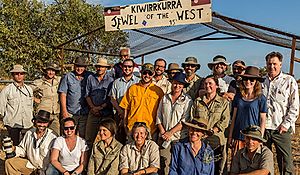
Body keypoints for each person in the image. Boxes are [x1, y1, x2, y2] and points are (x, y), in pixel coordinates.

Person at [262, 51, 299, 174]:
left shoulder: (289, 81)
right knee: (264, 161)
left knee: (285, 162)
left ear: (280, 64)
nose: (271, 66)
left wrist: (286, 124)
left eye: (274, 64)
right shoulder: (261, 82)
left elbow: (294, 106)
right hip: (264, 128)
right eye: (269, 64)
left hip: (281, 128)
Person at [191, 75, 230, 174]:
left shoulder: (223, 102)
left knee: (217, 169)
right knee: (200, 168)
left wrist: (213, 131)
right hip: (200, 141)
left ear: (216, 86)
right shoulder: (198, 101)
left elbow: (225, 120)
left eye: (210, 83)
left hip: (217, 140)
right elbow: (192, 118)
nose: (207, 86)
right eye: (205, 83)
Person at [156, 72, 193, 175]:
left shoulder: (188, 100)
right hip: (164, 138)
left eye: (180, 84)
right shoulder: (164, 98)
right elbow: (158, 116)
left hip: (179, 137)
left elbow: (185, 120)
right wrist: (163, 132)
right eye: (175, 83)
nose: (177, 86)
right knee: (164, 162)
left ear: (183, 86)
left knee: (180, 163)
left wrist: (170, 133)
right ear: (171, 83)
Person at [228, 66, 267, 156]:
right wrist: (230, 136)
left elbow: (263, 120)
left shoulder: (261, 98)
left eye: (251, 79)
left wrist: (260, 138)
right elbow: (233, 117)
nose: (248, 82)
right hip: (238, 135)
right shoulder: (238, 96)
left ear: (256, 81)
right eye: (245, 79)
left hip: (253, 138)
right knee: (236, 163)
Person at [5, 110, 57, 175]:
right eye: (39, 122)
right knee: (9, 162)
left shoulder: (53, 137)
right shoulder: (29, 133)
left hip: (46, 170)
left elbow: (55, 159)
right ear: (35, 121)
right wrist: (14, 148)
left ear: (48, 123)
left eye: (45, 122)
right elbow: (23, 150)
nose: (42, 125)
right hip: (31, 166)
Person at [119, 63, 164, 139]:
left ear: (153, 74)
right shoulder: (132, 88)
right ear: (141, 73)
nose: (147, 75)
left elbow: (162, 111)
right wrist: (125, 126)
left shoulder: (158, 91)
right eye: (144, 73)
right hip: (132, 129)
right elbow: (126, 108)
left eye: (150, 73)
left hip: (151, 130)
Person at [58, 56, 92, 138]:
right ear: (74, 66)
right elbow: (63, 94)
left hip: (85, 112)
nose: (79, 69)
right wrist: (64, 111)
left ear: (85, 67)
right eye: (78, 66)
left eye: (82, 67)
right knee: (68, 134)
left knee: (83, 136)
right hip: (70, 112)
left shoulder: (90, 76)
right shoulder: (68, 76)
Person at [0, 64, 33, 145]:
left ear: (24, 75)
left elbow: (31, 106)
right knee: (14, 146)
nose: (19, 76)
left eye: (21, 73)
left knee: (27, 146)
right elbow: (1, 107)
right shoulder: (7, 90)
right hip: (12, 123)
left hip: (27, 123)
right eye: (16, 73)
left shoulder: (29, 89)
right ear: (13, 75)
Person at [85, 57, 114, 148]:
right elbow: (87, 95)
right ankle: (87, 160)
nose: (100, 68)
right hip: (93, 112)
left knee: (107, 138)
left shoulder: (111, 80)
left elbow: (110, 98)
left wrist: (100, 108)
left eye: (102, 67)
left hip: (106, 113)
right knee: (89, 138)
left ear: (106, 68)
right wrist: (93, 108)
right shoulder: (90, 78)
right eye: (98, 66)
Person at [109, 59, 139, 144]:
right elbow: (113, 98)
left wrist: (126, 114)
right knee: (118, 140)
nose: (127, 68)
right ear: (122, 67)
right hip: (118, 115)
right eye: (125, 66)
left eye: (129, 66)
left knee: (132, 140)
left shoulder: (138, 82)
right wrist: (121, 112)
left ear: (133, 68)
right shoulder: (116, 82)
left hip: (132, 115)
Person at [32, 62, 61, 135]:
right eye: (49, 70)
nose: (51, 72)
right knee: (41, 133)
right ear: (46, 71)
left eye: (53, 70)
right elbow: (27, 91)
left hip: (55, 113)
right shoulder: (39, 82)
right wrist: (36, 99)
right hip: (43, 112)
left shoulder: (59, 80)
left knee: (55, 134)